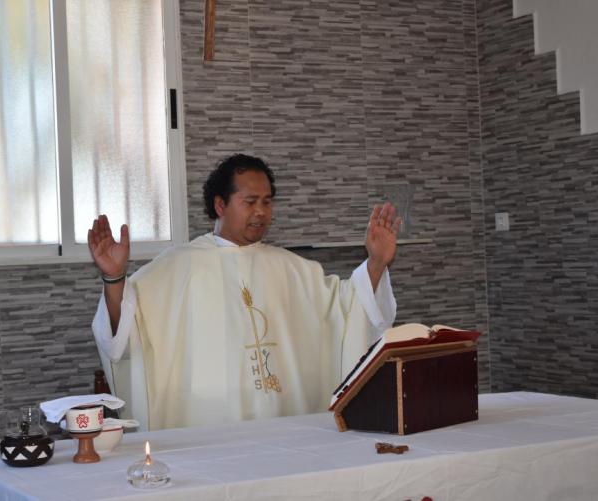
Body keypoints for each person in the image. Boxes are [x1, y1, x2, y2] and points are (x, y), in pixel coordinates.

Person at [90, 154, 400, 430]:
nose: (261, 212)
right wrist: (114, 277)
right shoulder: (176, 267)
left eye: (267, 202)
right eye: (250, 202)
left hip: (284, 426)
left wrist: (376, 263)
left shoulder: (293, 268)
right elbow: (126, 329)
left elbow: (347, 311)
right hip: (207, 429)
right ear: (220, 205)